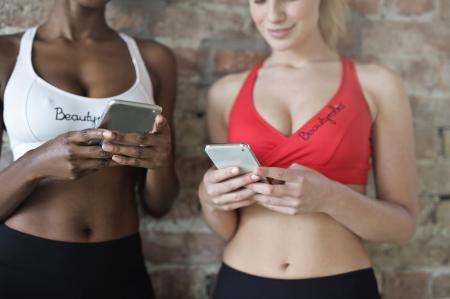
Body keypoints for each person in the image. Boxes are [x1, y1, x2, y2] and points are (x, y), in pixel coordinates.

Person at [198, 0, 418, 298]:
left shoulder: (377, 84)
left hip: (339, 286)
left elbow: (402, 226)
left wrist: (331, 198)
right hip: (242, 283)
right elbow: (229, 227)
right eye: (260, 1)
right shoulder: (225, 93)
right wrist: (210, 200)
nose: (273, 15)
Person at [0, 0, 178, 298]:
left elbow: (160, 205)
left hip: (119, 265)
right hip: (24, 263)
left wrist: (158, 161)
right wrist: (36, 163)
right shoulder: (8, 53)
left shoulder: (154, 59)